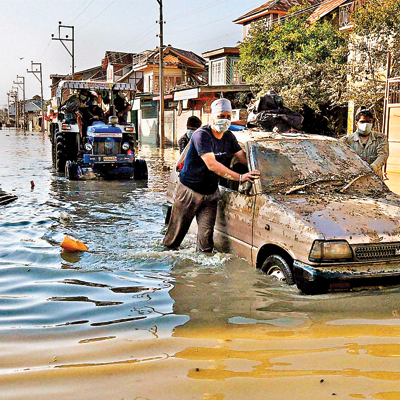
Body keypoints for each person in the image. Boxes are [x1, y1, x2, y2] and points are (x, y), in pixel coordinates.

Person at [162, 98, 260, 253]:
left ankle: (205, 272)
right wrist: (240, 177)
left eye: (228, 117)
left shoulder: (229, 137)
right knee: (174, 240)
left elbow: (242, 157)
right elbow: (212, 165)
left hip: (211, 194)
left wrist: (257, 172)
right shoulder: (201, 135)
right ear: (212, 117)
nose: (225, 120)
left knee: (206, 242)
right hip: (189, 191)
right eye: (221, 116)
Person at [341, 106, 389, 179]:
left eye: (369, 122)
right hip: (353, 179)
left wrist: (373, 167)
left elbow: (383, 155)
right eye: (362, 122)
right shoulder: (346, 141)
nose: (366, 124)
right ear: (356, 123)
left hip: (375, 178)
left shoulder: (381, 138)